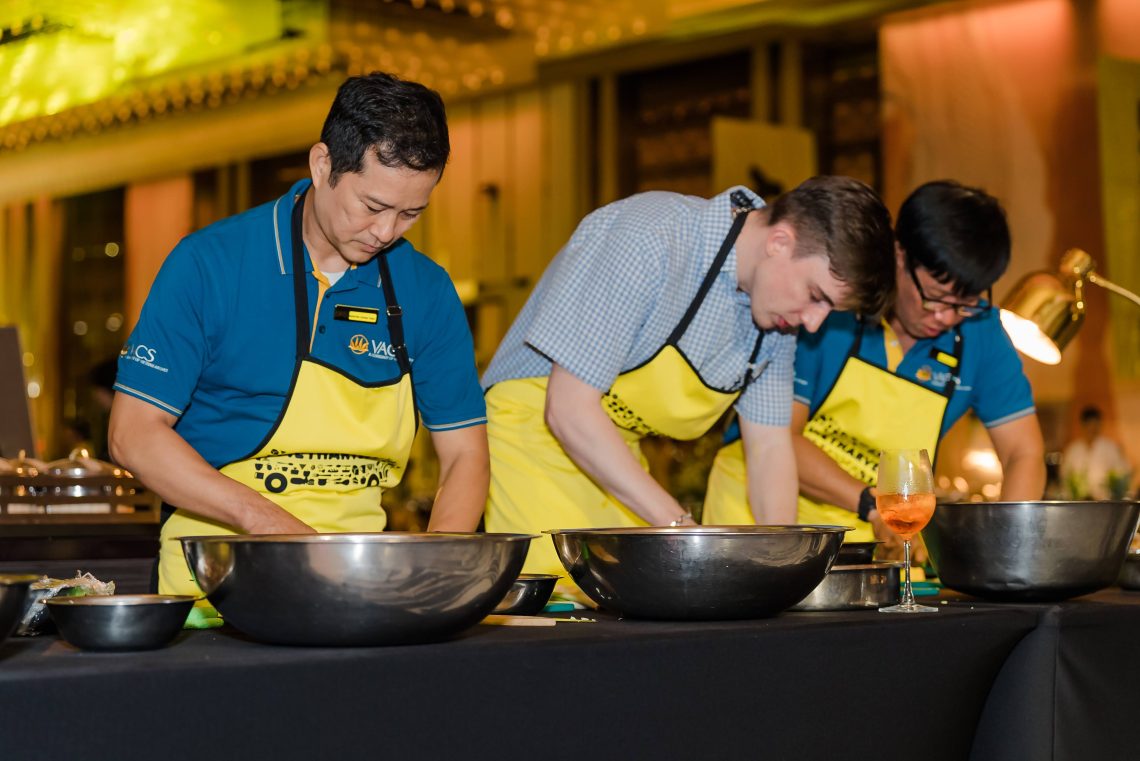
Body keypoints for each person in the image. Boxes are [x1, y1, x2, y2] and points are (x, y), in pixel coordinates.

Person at [109, 72, 488, 597]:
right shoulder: (211, 264)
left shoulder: (425, 290)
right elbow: (132, 435)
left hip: (359, 584)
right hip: (214, 586)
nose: (386, 232)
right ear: (322, 165)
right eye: (373, 207)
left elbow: (466, 455)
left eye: (410, 214)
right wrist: (271, 525)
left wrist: (434, 579)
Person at [481, 176, 896, 580]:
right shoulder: (651, 238)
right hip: (533, 435)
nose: (813, 322)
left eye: (829, 311)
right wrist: (682, 528)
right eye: (816, 296)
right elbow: (568, 409)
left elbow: (770, 447)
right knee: (562, 608)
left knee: (628, 607)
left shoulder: (775, 319)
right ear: (780, 241)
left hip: (614, 457)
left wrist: (786, 564)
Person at [703, 180, 1046, 544]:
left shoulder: (982, 333)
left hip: (875, 541)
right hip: (753, 520)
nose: (946, 317)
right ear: (899, 254)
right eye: (934, 297)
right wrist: (873, 503)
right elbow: (778, 437)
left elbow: (1023, 452)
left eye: (965, 304)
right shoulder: (825, 305)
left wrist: (1009, 545)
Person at [1061, 405, 1131, 500]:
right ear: (1083, 425)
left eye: (1096, 425)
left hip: (1105, 501)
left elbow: (1122, 474)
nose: (1093, 429)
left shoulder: (1110, 448)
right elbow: (1065, 476)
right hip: (1079, 501)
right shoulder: (1073, 450)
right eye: (1090, 425)